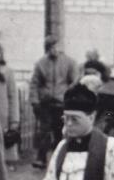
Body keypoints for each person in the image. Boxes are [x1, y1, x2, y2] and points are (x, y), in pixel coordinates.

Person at [30, 36, 79, 170]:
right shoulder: (40, 64)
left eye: (56, 46)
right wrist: (35, 101)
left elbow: (74, 82)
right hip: (45, 103)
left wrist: (67, 96)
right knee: (44, 131)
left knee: (61, 132)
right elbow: (34, 83)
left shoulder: (69, 62)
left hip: (62, 104)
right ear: (47, 48)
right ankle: (41, 158)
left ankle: (61, 159)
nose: (54, 50)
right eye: (51, 47)